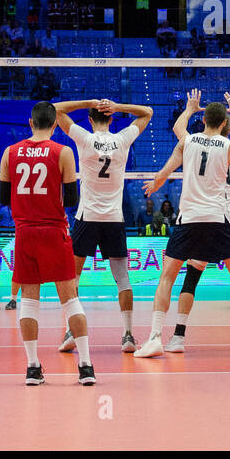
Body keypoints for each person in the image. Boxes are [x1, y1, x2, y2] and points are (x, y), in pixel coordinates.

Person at [133, 98, 230, 358]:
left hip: (189, 221)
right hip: (220, 221)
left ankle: (154, 338)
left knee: (167, 278)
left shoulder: (188, 141)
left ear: (204, 121)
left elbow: (166, 170)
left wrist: (155, 184)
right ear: (225, 123)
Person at [1, 102, 95, 385]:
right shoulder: (63, 152)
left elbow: (5, 198)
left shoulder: (10, 152)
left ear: (30, 123)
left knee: (29, 301)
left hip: (25, 233)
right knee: (70, 300)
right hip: (54, 231)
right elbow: (72, 200)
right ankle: (86, 367)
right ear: (55, 125)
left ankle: (32, 367)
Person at [52, 96, 153, 354]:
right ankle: (128, 335)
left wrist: (89, 102)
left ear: (90, 119)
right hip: (114, 219)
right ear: (110, 118)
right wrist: (119, 107)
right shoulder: (122, 140)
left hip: (87, 218)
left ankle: (70, 331)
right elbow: (147, 112)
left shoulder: (84, 138)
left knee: (71, 278)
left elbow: (56, 110)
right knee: (122, 279)